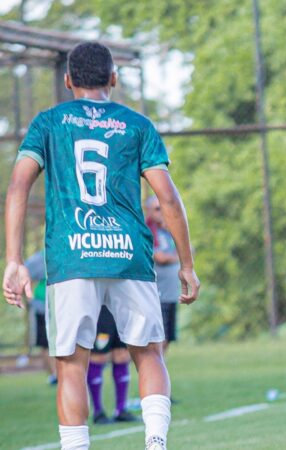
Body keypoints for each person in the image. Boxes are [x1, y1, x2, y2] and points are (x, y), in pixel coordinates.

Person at [3, 42, 199, 450]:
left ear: (68, 80)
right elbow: (168, 198)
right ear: (114, 78)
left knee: (71, 365)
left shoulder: (48, 123)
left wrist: (14, 259)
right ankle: (156, 442)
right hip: (130, 256)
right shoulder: (137, 125)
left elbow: (19, 185)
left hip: (71, 256)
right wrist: (186, 264)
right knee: (148, 354)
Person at [88, 306, 138, 424]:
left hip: (122, 306)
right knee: (98, 355)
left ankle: (121, 410)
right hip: (101, 307)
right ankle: (98, 412)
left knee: (122, 355)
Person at [145, 196, 181, 357]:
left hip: (171, 294)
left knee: (167, 337)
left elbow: (189, 248)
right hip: (158, 294)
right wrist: (180, 257)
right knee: (159, 337)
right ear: (149, 211)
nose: (161, 212)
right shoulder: (148, 229)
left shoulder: (167, 230)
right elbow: (160, 258)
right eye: (157, 209)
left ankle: (160, 370)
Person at [24, 250, 57, 384]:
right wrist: (30, 300)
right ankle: (54, 375)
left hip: (61, 307)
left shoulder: (65, 253)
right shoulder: (37, 259)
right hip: (42, 308)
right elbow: (26, 278)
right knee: (45, 343)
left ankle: (61, 373)